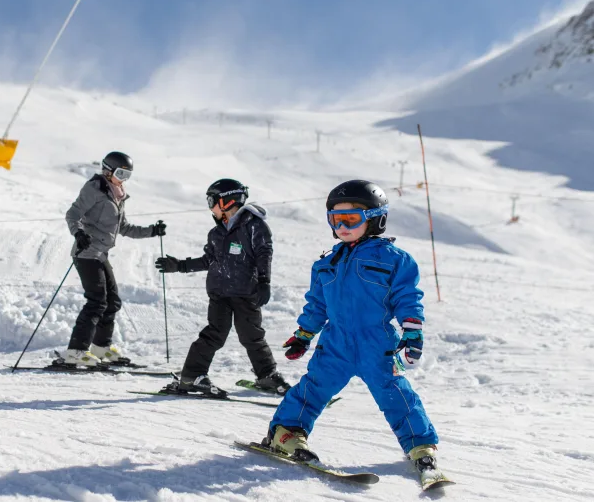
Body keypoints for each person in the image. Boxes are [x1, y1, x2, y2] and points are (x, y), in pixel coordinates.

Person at [267, 180, 439, 473]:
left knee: (396, 393)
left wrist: (412, 330)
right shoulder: (326, 264)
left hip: (378, 344)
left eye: (351, 218)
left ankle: (420, 445)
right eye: (336, 219)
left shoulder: (394, 260)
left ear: (375, 219)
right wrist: (304, 335)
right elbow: (317, 305)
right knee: (313, 388)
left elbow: (407, 298)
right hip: (336, 344)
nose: (342, 226)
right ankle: (286, 433)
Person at [155, 179, 289, 397]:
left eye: (212, 201)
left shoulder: (254, 226)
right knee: (214, 335)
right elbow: (208, 260)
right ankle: (192, 376)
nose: (210, 207)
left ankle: (267, 375)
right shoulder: (216, 233)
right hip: (219, 294)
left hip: (246, 293)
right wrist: (179, 266)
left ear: (227, 201)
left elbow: (265, 253)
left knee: (252, 336)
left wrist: (264, 281)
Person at [62, 151, 166, 366]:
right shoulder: (94, 188)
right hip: (87, 252)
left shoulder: (117, 194)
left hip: (101, 254)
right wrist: (78, 233)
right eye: (120, 173)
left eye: (127, 175)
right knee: (97, 301)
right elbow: (72, 214)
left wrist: (152, 231)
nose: (123, 179)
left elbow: (125, 227)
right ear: (107, 170)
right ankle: (75, 352)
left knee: (112, 301)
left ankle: (101, 349)